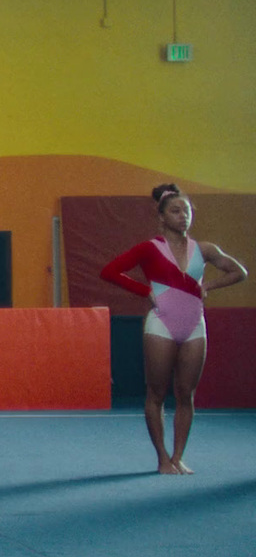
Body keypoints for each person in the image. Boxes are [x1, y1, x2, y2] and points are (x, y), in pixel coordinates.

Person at [100, 184, 247, 474]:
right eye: (176, 211)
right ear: (162, 217)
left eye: (187, 211)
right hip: (161, 324)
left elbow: (239, 272)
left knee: (186, 394)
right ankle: (162, 458)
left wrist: (209, 286)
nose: (183, 216)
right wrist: (144, 290)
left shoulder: (204, 249)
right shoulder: (149, 248)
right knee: (156, 393)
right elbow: (109, 271)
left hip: (195, 324)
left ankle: (178, 456)